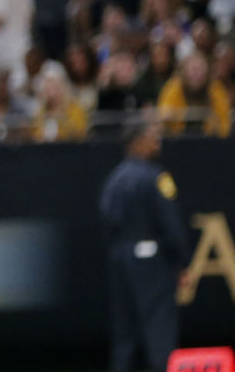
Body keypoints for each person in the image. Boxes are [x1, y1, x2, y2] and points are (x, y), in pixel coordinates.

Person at [99, 122, 191, 372]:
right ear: (136, 142)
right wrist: (181, 262)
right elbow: (170, 222)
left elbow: (106, 216)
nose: (157, 142)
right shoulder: (156, 177)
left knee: (124, 330)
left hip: (119, 257)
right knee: (159, 325)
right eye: (152, 136)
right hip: (152, 259)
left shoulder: (114, 178)